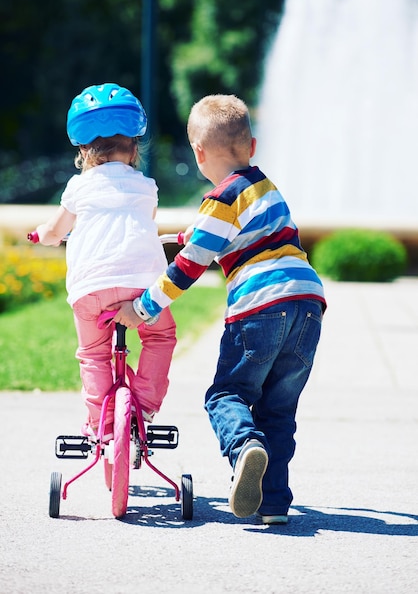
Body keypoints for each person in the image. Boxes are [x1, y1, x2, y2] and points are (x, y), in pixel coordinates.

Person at [110, 94, 326, 524]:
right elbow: (231, 231)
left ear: (199, 152)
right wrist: (190, 232)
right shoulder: (265, 187)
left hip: (258, 307)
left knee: (227, 395)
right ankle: (273, 505)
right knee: (279, 412)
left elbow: (189, 266)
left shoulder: (219, 200)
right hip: (308, 306)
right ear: (253, 147)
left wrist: (142, 308)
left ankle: (244, 447)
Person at [34, 83, 176, 441]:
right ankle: (143, 407)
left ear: (84, 150)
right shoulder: (147, 185)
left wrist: (43, 234)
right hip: (143, 284)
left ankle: (101, 426)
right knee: (160, 337)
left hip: (91, 288)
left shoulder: (77, 188)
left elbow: (55, 232)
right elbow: (147, 219)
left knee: (94, 355)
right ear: (134, 148)